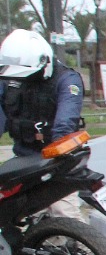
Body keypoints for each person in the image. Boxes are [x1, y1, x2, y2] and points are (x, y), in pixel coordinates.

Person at [0, 29, 87, 218]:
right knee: (10, 213)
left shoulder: (67, 80)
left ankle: (75, 237)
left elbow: (65, 123)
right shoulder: (10, 79)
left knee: (63, 213)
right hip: (23, 162)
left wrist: (56, 155)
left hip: (59, 163)